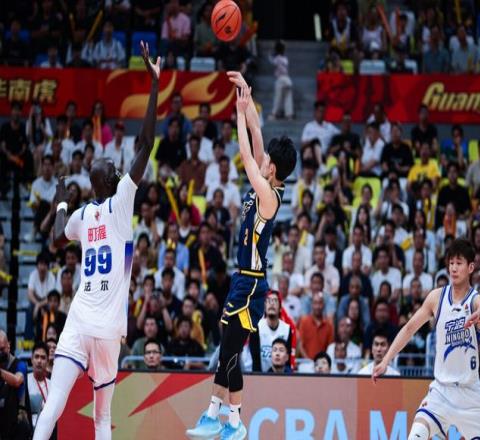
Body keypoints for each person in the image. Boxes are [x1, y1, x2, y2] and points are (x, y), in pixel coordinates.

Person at [33, 42, 160, 440]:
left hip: (79, 318)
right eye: (115, 169)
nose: (121, 171)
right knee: (102, 418)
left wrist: (60, 202)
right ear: (110, 181)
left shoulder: (83, 215)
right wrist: (155, 84)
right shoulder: (121, 202)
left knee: (54, 404)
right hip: (106, 329)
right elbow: (146, 143)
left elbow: (57, 240)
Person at [186, 72, 297, 440]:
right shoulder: (270, 177)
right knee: (229, 349)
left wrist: (236, 114)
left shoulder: (268, 196)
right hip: (243, 279)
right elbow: (258, 136)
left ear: (272, 169)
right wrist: (246, 97)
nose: (263, 160)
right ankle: (232, 420)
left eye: (268, 161)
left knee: (228, 351)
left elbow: (247, 155)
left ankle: (215, 414)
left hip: (251, 283)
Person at [372, 238, 480, 439]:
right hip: (441, 393)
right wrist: (386, 360)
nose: (453, 268)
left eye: (459, 263)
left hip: (470, 397)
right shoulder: (436, 298)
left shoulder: (476, 300)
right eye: (451, 263)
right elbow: (409, 329)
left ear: (470, 267)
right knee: (416, 435)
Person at [249, 291, 292, 373]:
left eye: (275, 301)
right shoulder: (257, 327)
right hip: (261, 375)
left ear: (280, 308)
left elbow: (287, 360)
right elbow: (255, 360)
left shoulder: (287, 329)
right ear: (264, 307)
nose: (271, 303)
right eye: (268, 300)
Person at [0, 330, 31, 439]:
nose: (0, 353)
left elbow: (17, 381)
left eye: (2, 349)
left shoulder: (20, 364)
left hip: (16, 424)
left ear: (8, 345)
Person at [28, 342, 53, 432]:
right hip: (29, 430)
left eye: (43, 358)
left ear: (47, 361)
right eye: (36, 357)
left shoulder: (52, 386)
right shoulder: (25, 382)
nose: (39, 361)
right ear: (31, 359)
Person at [268, 40, 293, 120]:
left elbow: (272, 61)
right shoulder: (285, 58)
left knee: (277, 97)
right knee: (288, 98)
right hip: (287, 79)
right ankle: (289, 115)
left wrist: (270, 54)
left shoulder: (277, 58)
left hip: (280, 79)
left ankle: (274, 114)